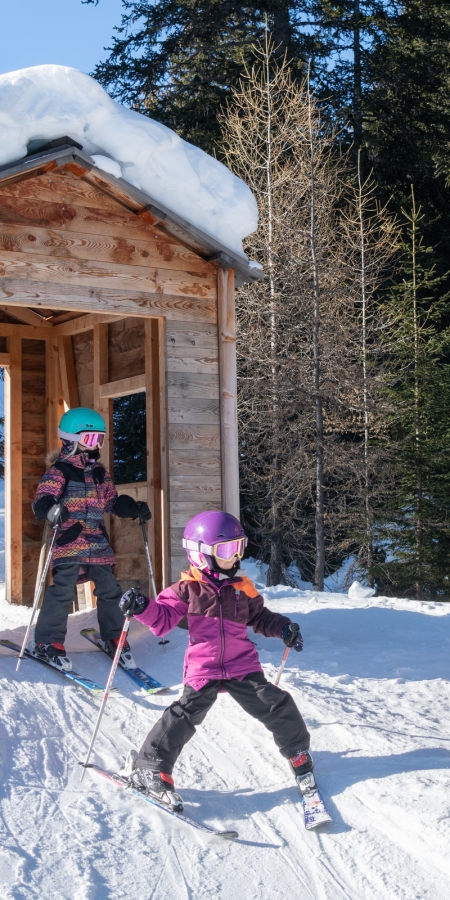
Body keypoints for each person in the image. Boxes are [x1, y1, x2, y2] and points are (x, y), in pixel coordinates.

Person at [117, 509, 313, 812]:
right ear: (201, 554)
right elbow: (163, 620)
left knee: (275, 702)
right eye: (227, 549)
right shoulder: (187, 588)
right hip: (204, 666)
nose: (235, 557)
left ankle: (297, 751)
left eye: (239, 547)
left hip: (241, 664)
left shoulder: (241, 588)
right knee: (184, 714)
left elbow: (260, 617)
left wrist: (283, 627)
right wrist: (142, 606)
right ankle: (151, 765)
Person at [30, 407, 151, 672]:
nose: (96, 446)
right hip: (69, 539)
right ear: (71, 440)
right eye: (90, 439)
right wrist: (50, 508)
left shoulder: (100, 474)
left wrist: (130, 507)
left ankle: (114, 633)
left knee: (109, 588)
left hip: (96, 540)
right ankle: (47, 641)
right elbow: (42, 499)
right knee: (62, 589)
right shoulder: (59, 471)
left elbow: (111, 501)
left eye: (100, 439)